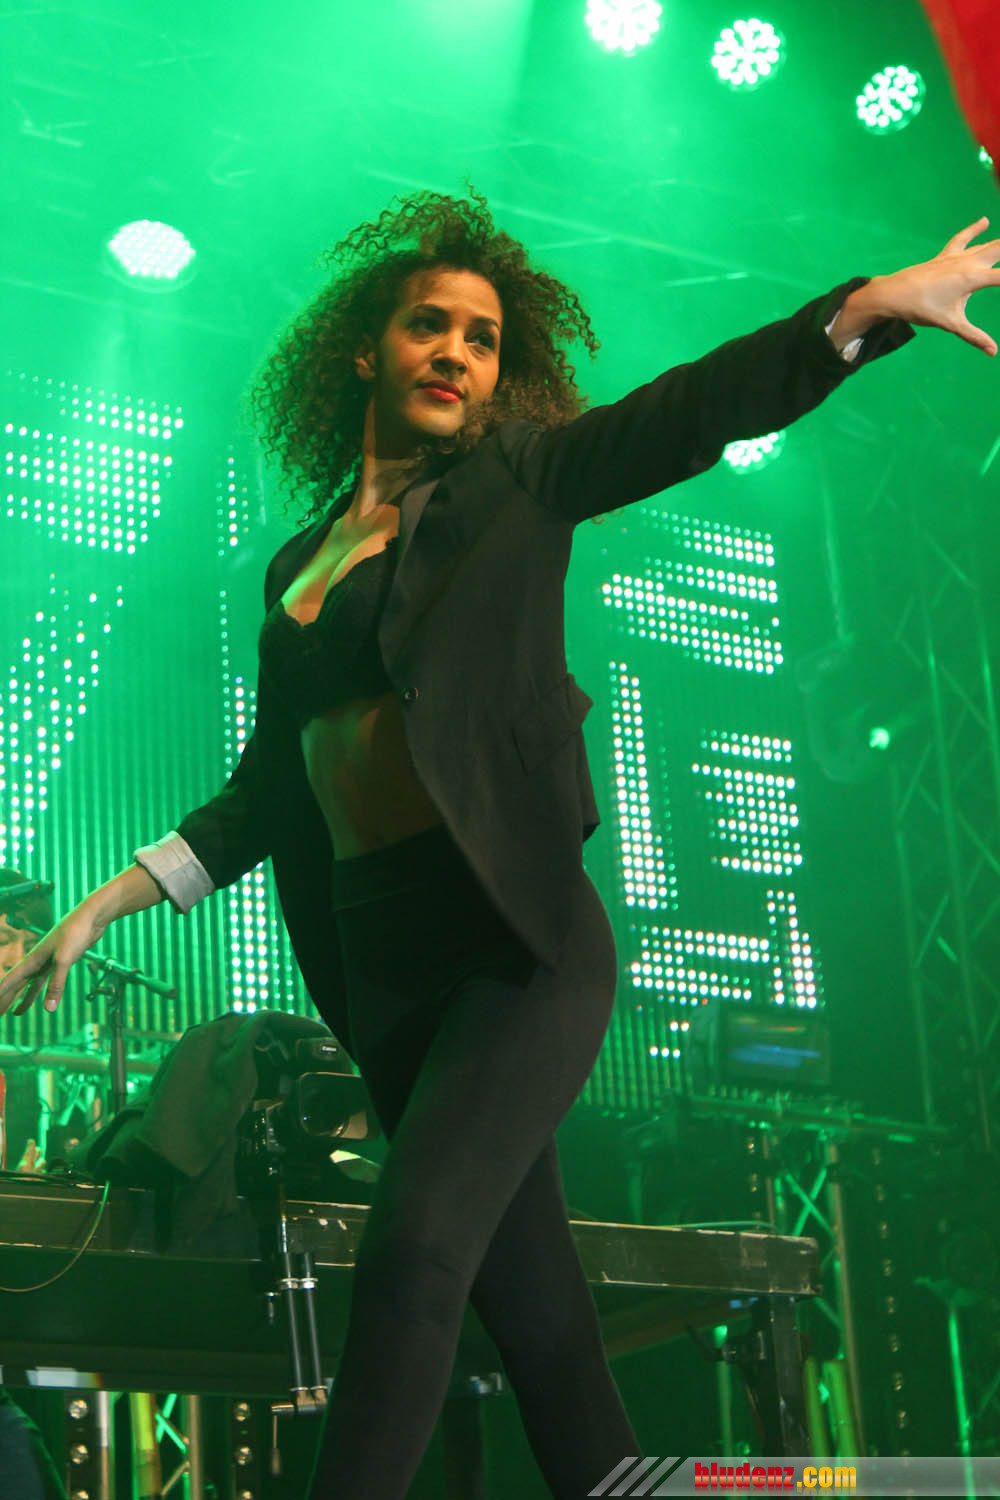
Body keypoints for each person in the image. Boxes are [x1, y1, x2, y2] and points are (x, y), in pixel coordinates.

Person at [1, 191, 997, 1498]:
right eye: (430, 325)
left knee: (414, 1257)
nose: (458, 354)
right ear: (365, 349)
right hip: (385, 969)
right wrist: (101, 907)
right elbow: (267, 794)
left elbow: (688, 411)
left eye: (482, 338)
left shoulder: (519, 480)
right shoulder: (296, 565)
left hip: (517, 949)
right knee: (543, 1330)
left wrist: (861, 313)